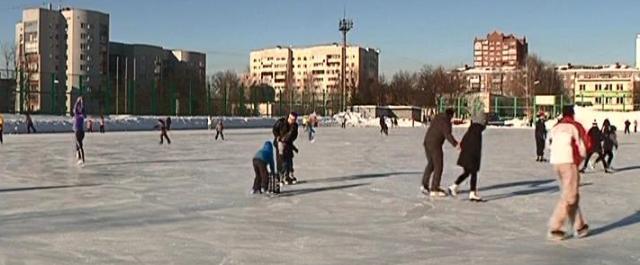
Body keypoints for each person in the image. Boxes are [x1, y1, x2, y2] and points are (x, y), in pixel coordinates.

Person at [547, 105, 590, 241]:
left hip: (556, 163)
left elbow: (548, 145)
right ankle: (556, 226)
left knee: (572, 194)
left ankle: (580, 225)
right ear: (572, 114)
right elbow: (584, 145)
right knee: (569, 196)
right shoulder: (574, 126)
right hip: (569, 162)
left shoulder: (555, 127)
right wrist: (579, 160)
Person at [448, 112, 486, 201]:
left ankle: (453, 186)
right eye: (485, 121)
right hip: (471, 156)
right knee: (473, 173)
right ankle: (472, 193)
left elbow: (464, 142)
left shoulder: (472, 129)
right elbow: (475, 146)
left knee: (467, 173)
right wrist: (475, 158)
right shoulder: (477, 130)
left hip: (467, 155)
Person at [422, 108, 459, 197]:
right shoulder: (446, 122)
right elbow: (447, 134)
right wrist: (456, 144)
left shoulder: (438, 117)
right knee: (438, 166)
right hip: (435, 144)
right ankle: (434, 188)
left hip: (427, 142)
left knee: (431, 164)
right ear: (451, 115)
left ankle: (424, 185)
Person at [272, 112, 299, 185]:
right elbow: (274, 129)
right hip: (279, 143)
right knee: (281, 160)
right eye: (291, 119)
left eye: (294, 120)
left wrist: (289, 139)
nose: (292, 121)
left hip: (288, 144)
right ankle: (279, 176)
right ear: (289, 117)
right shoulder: (281, 122)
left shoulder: (295, 126)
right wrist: (277, 137)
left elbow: (295, 135)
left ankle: (288, 176)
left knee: (289, 159)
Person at [73, 97, 86, 165]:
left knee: (79, 146)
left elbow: (81, 109)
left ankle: (82, 159)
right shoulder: (79, 114)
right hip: (78, 131)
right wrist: (79, 101)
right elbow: (76, 108)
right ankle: (79, 158)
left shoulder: (79, 115)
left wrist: (79, 101)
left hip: (79, 132)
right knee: (77, 146)